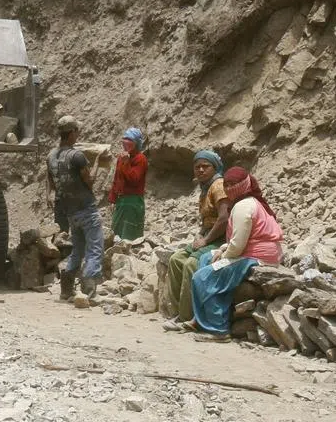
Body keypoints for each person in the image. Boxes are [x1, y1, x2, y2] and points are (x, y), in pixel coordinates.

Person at [181, 166, 284, 342]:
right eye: (226, 184)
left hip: (255, 258)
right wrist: (221, 250)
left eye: (233, 184)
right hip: (254, 253)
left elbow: (237, 246)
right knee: (206, 258)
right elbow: (239, 240)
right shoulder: (249, 202)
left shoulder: (243, 206)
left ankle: (218, 330)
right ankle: (200, 318)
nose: (229, 189)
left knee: (202, 277)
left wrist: (224, 255)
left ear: (244, 185)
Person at [163, 149, 229, 331]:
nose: (200, 170)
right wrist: (200, 234)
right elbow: (208, 218)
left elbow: (224, 218)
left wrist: (206, 240)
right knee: (176, 259)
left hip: (220, 239)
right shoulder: (204, 188)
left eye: (205, 166)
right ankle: (177, 311)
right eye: (197, 166)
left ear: (214, 168)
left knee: (192, 263)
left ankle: (188, 317)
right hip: (208, 236)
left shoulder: (218, 185)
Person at [47, 116, 104, 301]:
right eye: (77, 131)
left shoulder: (51, 156)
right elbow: (90, 181)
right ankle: (88, 290)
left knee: (78, 249)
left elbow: (52, 183)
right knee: (95, 248)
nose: (78, 135)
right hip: (86, 208)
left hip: (70, 211)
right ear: (71, 133)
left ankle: (66, 287)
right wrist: (97, 163)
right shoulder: (77, 156)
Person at [109, 127, 147, 241]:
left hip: (133, 201)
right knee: (116, 234)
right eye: (125, 139)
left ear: (137, 143)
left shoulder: (141, 159)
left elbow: (134, 180)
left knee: (130, 237)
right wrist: (112, 199)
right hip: (121, 201)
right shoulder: (121, 158)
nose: (126, 142)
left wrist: (126, 163)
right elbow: (117, 179)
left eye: (130, 140)